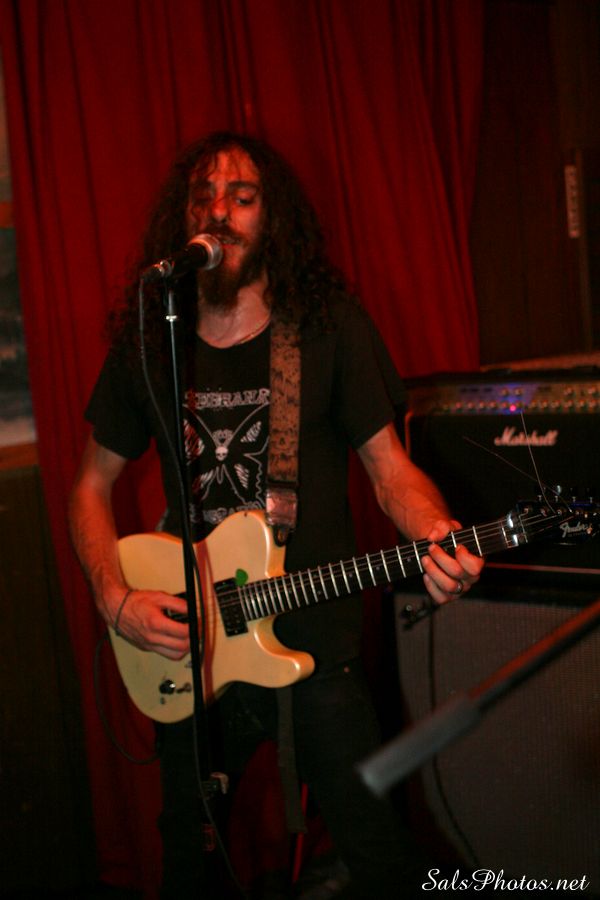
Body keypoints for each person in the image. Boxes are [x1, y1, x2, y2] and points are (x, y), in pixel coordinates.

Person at [68, 131, 484, 898]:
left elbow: (390, 470)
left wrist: (434, 529)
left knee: (380, 857)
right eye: (203, 196)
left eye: (242, 197)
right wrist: (115, 599)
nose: (218, 211)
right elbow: (90, 486)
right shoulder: (152, 342)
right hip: (191, 651)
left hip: (315, 646)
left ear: (274, 217)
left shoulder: (327, 327)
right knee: (189, 867)